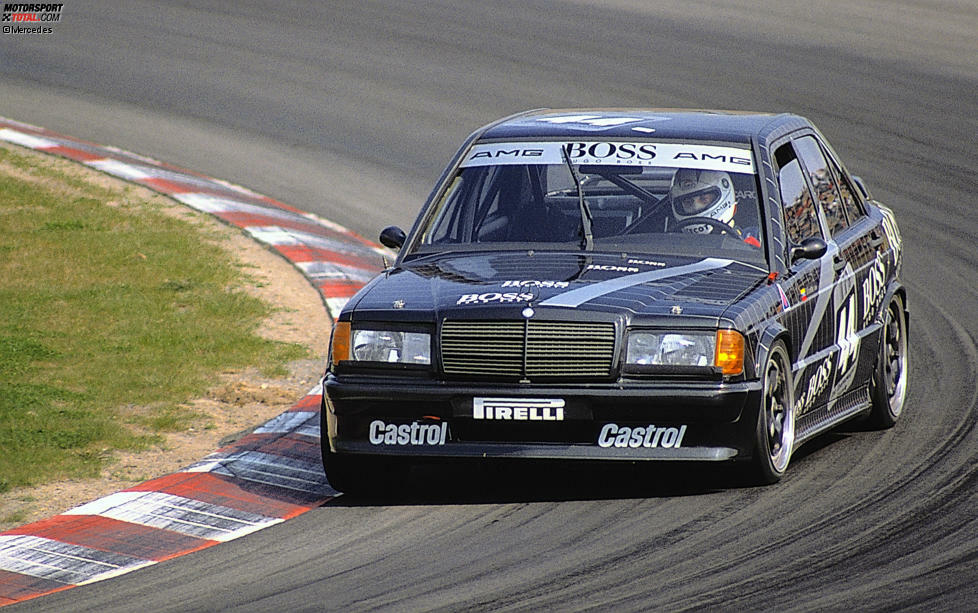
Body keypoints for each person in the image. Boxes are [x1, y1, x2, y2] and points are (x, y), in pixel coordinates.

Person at [668, 168, 761, 247]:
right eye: (688, 202)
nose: (696, 207)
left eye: (704, 199)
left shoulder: (756, 240)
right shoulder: (670, 246)